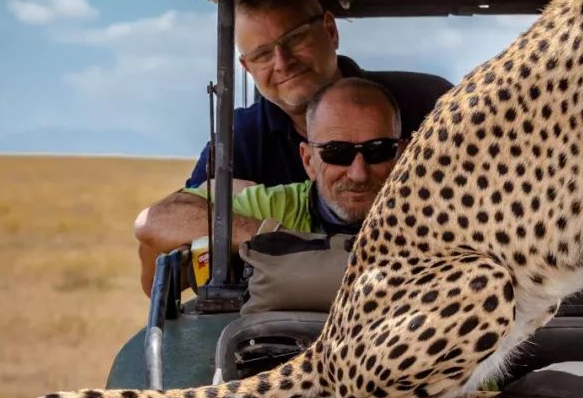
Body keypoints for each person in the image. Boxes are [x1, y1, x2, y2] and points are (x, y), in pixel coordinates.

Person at [134, 78, 404, 295]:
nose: (358, 173)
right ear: (308, 160)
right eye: (337, 152)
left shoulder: (428, 214)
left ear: (403, 155)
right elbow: (153, 222)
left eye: (377, 150)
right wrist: (274, 238)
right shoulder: (276, 208)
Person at [186, 0, 453, 188]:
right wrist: (256, 216)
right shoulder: (240, 137)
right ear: (247, 67)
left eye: (294, 39)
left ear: (330, 31)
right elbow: (165, 223)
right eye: (263, 55)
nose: (282, 62)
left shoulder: (430, 104)